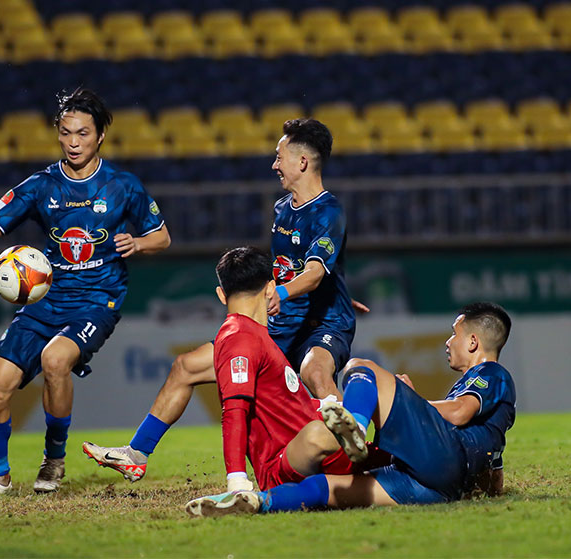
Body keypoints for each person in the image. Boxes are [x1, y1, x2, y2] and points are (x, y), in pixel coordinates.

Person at [82, 119, 365, 481]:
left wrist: (289, 292)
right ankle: (136, 452)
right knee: (186, 366)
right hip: (278, 323)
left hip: (322, 325)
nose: (274, 165)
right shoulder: (282, 209)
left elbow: (311, 273)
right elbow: (294, 268)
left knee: (314, 369)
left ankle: (355, 465)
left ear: (302, 163)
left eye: (279, 157)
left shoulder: (329, 211)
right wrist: (327, 287)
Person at [0, 88, 171, 496]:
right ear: (58, 134)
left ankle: (54, 459)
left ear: (99, 137)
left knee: (55, 359)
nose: (73, 142)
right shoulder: (41, 185)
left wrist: (139, 243)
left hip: (98, 300)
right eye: (65, 133)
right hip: (48, 299)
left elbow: (162, 237)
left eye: (82, 133)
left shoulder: (122, 186)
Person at [185, 302, 516, 517]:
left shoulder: (491, 374)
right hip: (437, 489)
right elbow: (493, 471)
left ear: (473, 342)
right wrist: (484, 491)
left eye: (454, 334)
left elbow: (459, 413)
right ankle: (258, 502)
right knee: (330, 489)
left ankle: (354, 425)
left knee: (360, 368)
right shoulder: (485, 389)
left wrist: (412, 404)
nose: (448, 342)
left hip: (443, 462)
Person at [183, 246, 379, 495]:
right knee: (318, 432)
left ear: (221, 295)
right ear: (270, 288)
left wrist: (323, 408)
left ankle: (368, 442)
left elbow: (290, 405)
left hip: (318, 449)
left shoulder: (260, 335)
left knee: (371, 376)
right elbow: (234, 410)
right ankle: (363, 439)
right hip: (284, 464)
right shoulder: (239, 338)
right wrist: (237, 481)